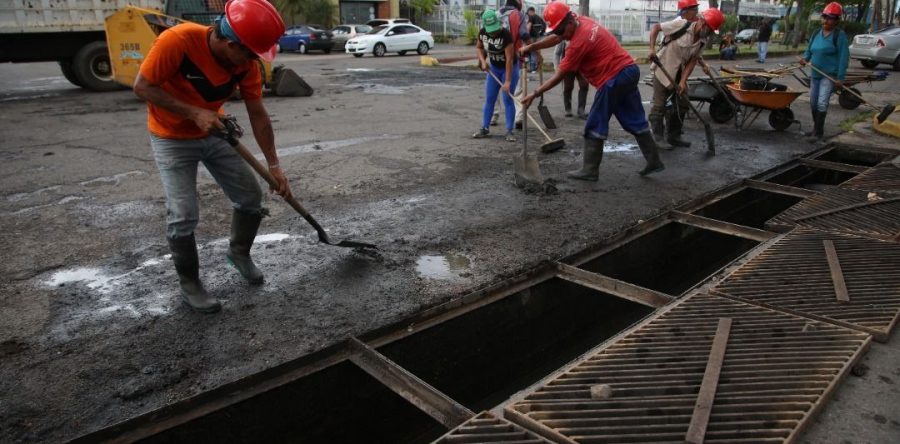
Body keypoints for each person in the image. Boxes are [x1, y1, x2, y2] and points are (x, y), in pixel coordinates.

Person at [133, 0, 291, 313]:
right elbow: (142, 86)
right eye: (247, 53)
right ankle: (190, 283)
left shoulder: (245, 64)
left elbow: (258, 114)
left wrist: (274, 165)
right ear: (229, 43)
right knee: (183, 214)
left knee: (250, 197)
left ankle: (239, 253)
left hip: (214, 133)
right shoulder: (177, 42)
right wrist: (193, 113)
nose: (250, 61)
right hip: (171, 137)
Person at [520, 2, 665, 180]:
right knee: (633, 118)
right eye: (556, 31)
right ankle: (654, 161)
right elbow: (559, 37)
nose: (559, 35)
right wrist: (532, 47)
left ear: (570, 22)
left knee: (595, 121)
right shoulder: (582, 21)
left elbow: (559, 76)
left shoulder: (578, 44)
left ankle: (590, 170)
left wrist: (535, 94)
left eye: (560, 30)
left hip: (614, 77)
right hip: (629, 70)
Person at [647, 2, 722, 148]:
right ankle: (658, 138)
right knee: (659, 104)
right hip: (663, 69)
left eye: (711, 31)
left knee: (683, 102)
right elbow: (656, 28)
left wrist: (683, 81)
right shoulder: (681, 25)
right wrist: (651, 49)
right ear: (701, 21)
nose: (708, 33)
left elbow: (692, 61)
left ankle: (673, 136)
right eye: (708, 29)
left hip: (679, 73)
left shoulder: (702, 41)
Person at [799, 2, 849, 143]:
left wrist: (840, 77)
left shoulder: (839, 36)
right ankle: (815, 129)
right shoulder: (816, 33)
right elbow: (809, 50)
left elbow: (843, 58)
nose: (826, 20)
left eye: (830, 18)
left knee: (822, 102)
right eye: (825, 17)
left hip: (829, 76)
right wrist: (805, 58)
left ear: (836, 20)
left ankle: (819, 133)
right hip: (815, 74)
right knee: (813, 102)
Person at [473, 9, 519, 142]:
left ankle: (510, 131)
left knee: (507, 99)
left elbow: (509, 59)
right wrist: (483, 62)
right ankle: (485, 128)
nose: (493, 32)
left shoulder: (506, 35)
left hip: (508, 69)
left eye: (495, 29)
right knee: (490, 98)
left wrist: (508, 81)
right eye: (490, 30)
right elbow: (479, 47)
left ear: (498, 23)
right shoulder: (482, 33)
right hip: (494, 68)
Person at [554, 40, 589, 118]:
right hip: (568, 65)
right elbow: (557, 53)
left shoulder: (584, 35)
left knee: (584, 85)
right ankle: (568, 109)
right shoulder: (563, 39)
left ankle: (581, 110)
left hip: (581, 65)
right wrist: (557, 67)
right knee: (568, 87)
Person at [526, 6, 546, 72]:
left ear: (531, 11)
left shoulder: (531, 17)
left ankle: (533, 68)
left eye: (528, 13)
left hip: (531, 37)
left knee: (532, 51)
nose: (528, 14)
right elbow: (544, 26)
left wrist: (526, 35)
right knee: (537, 52)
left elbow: (528, 27)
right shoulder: (539, 18)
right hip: (538, 37)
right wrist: (541, 34)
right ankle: (539, 67)